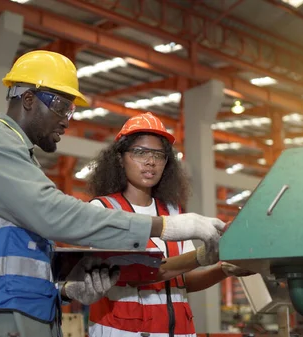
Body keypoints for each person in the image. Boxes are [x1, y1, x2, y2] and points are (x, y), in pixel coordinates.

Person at [0, 50, 227, 337]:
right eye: (62, 106)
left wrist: (64, 290)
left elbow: (22, 256)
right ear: (28, 99)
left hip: (18, 311)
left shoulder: (23, 159)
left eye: (70, 110)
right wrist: (164, 227)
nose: (66, 119)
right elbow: (52, 213)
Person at [86, 112, 255, 337]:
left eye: (159, 155)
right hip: (124, 331)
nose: (150, 161)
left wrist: (222, 269)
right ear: (119, 158)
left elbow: (182, 281)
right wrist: (202, 256)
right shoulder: (103, 210)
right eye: (140, 152)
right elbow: (136, 273)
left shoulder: (173, 213)